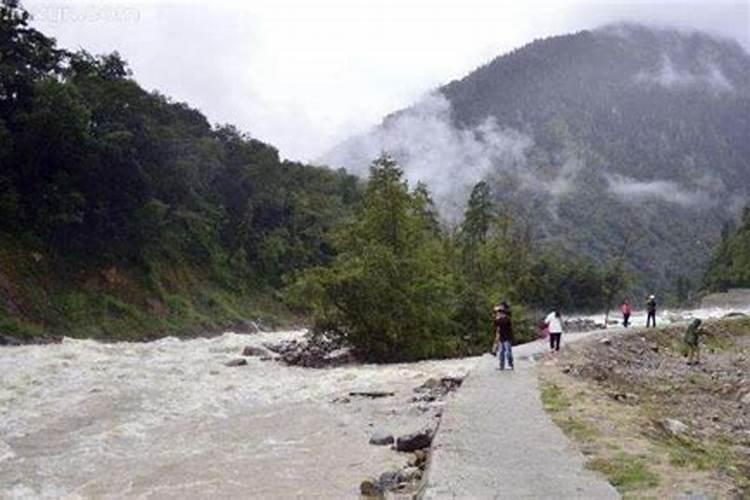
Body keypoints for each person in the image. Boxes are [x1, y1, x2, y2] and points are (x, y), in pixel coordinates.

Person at [494, 305, 514, 370]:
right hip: (501, 337)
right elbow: (496, 325)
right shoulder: (499, 319)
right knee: (501, 352)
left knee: (508, 352)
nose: (497, 314)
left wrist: (498, 319)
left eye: (498, 313)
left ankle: (510, 365)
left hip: (507, 337)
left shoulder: (507, 319)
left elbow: (503, 324)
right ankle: (501, 365)